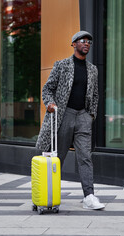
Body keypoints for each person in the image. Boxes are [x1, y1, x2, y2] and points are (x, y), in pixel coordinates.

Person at [36, 31, 104, 210]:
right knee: (58, 158)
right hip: (64, 114)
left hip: (83, 116)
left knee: (85, 157)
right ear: (73, 44)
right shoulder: (61, 65)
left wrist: (91, 115)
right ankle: (49, 195)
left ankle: (89, 196)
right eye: (83, 41)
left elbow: (95, 95)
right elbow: (47, 89)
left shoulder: (93, 69)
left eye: (89, 41)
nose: (87, 43)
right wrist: (50, 103)